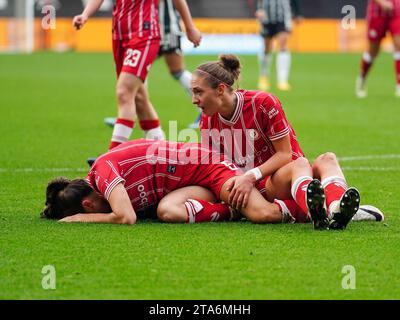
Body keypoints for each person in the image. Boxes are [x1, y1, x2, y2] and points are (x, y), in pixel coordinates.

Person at [186, 54, 382, 229]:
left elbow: (284, 154)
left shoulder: (263, 103)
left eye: (198, 92)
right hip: (261, 187)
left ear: (220, 89)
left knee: (327, 159)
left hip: (288, 176)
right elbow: (215, 166)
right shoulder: (207, 121)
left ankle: (334, 210)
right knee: (301, 163)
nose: (194, 100)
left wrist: (249, 176)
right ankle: (329, 212)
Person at [41, 138, 331, 228]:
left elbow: (125, 217)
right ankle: (231, 210)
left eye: (84, 211)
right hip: (188, 181)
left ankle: (325, 205)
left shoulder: (103, 175)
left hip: (206, 166)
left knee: (263, 214)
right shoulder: (98, 176)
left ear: (87, 204)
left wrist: (83, 220)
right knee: (168, 211)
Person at [73, 0, 201, 153]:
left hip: (145, 34)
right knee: (138, 97)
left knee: (125, 91)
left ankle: (112, 156)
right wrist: (85, 14)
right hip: (120, 36)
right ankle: (161, 152)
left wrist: (190, 27)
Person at [103, 0, 203, 129]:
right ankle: (130, 112)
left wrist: (190, 27)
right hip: (146, 28)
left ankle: (206, 110)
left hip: (164, 28)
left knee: (175, 70)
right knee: (138, 70)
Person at [356, 0, 400, 98]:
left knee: (399, 45)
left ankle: (399, 85)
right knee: (373, 51)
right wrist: (381, 2)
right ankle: (361, 79)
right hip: (377, 12)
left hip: (396, 11)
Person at [255, 0, 302, 92]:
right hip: (266, 17)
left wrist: (298, 13)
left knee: (283, 46)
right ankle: (264, 77)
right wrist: (259, 9)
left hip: (283, 18)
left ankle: (282, 80)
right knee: (267, 48)